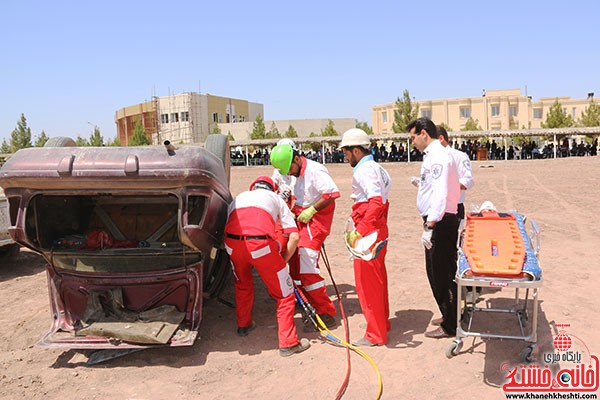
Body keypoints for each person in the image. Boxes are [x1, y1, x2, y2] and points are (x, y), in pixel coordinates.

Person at [224, 176, 310, 357]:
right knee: (284, 294)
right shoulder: (276, 199)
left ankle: (244, 325)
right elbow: (294, 237)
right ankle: (289, 343)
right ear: (272, 189)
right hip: (260, 245)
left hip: (232, 244)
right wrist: (283, 260)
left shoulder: (239, 197)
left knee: (242, 284)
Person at [270, 143, 339, 328]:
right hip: (301, 221)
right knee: (295, 266)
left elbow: (332, 194)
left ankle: (326, 313)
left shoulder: (316, 171)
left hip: (315, 224)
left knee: (308, 270)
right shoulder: (295, 173)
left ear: (297, 159)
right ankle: (305, 301)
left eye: (290, 169)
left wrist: (312, 210)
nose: (289, 173)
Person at [406, 117, 460, 339]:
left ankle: (450, 324)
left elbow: (440, 193)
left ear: (424, 134)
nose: (412, 143)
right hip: (440, 219)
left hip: (439, 221)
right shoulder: (434, 155)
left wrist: (431, 224)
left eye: (413, 137)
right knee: (442, 270)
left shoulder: (437, 156)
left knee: (439, 273)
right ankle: (451, 315)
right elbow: (435, 186)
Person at [339, 128, 392, 347]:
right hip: (377, 228)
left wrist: (360, 231)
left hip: (369, 231)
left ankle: (375, 335)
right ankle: (381, 322)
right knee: (378, 279)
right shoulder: (377, 168)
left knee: (367, 285)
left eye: (346, 151)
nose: (344, 155)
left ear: (357, 150)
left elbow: (375, 201)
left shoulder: (365, 170)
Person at [436, 126, 478, 302]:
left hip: (455, 208)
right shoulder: (435, 158)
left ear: (440, 139)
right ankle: (453, 291)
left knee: (459, 250)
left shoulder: (459, 156)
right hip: (439, 210)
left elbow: (467, 181)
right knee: (443, 254)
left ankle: (471, 289)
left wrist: (447, 185)